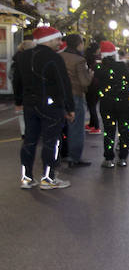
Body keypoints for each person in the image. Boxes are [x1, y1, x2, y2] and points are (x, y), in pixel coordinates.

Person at [13, 26, 75, 189]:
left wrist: (18, 101)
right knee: (51, 141)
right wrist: (69, 107)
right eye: (57, 39)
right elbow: (64, 84)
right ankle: (48, 178)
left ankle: (26, 178)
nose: (60, 43)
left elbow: (17, 81)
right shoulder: (54, 58)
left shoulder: (22, 57)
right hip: (51, 105)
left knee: (29, 141)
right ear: (48, 40)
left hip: (29, 104)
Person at [95, 41, 129, 167]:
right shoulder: (121, 66)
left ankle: (108, 159)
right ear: (114, 53)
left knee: (109, 131)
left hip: (106, 103)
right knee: (124, 129)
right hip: (123, 103)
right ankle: (122, 157)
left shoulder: (98, 68)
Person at [59, 34, 94, 167]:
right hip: (75, 95)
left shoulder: (59, 56)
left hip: (60, 95)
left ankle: (61, 154)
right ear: (79, 44)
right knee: (76, 128)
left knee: (61, 127)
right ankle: (74, 157)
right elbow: (84, 82)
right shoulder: (79, 60)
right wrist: (90, 75)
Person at [83, 40, 102, 134]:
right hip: (96, 85)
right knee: (92, 106)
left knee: (91, 105)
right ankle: (94, 125)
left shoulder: (87, 58)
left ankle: (94, 125)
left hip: (90, 84)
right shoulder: (97, 59)